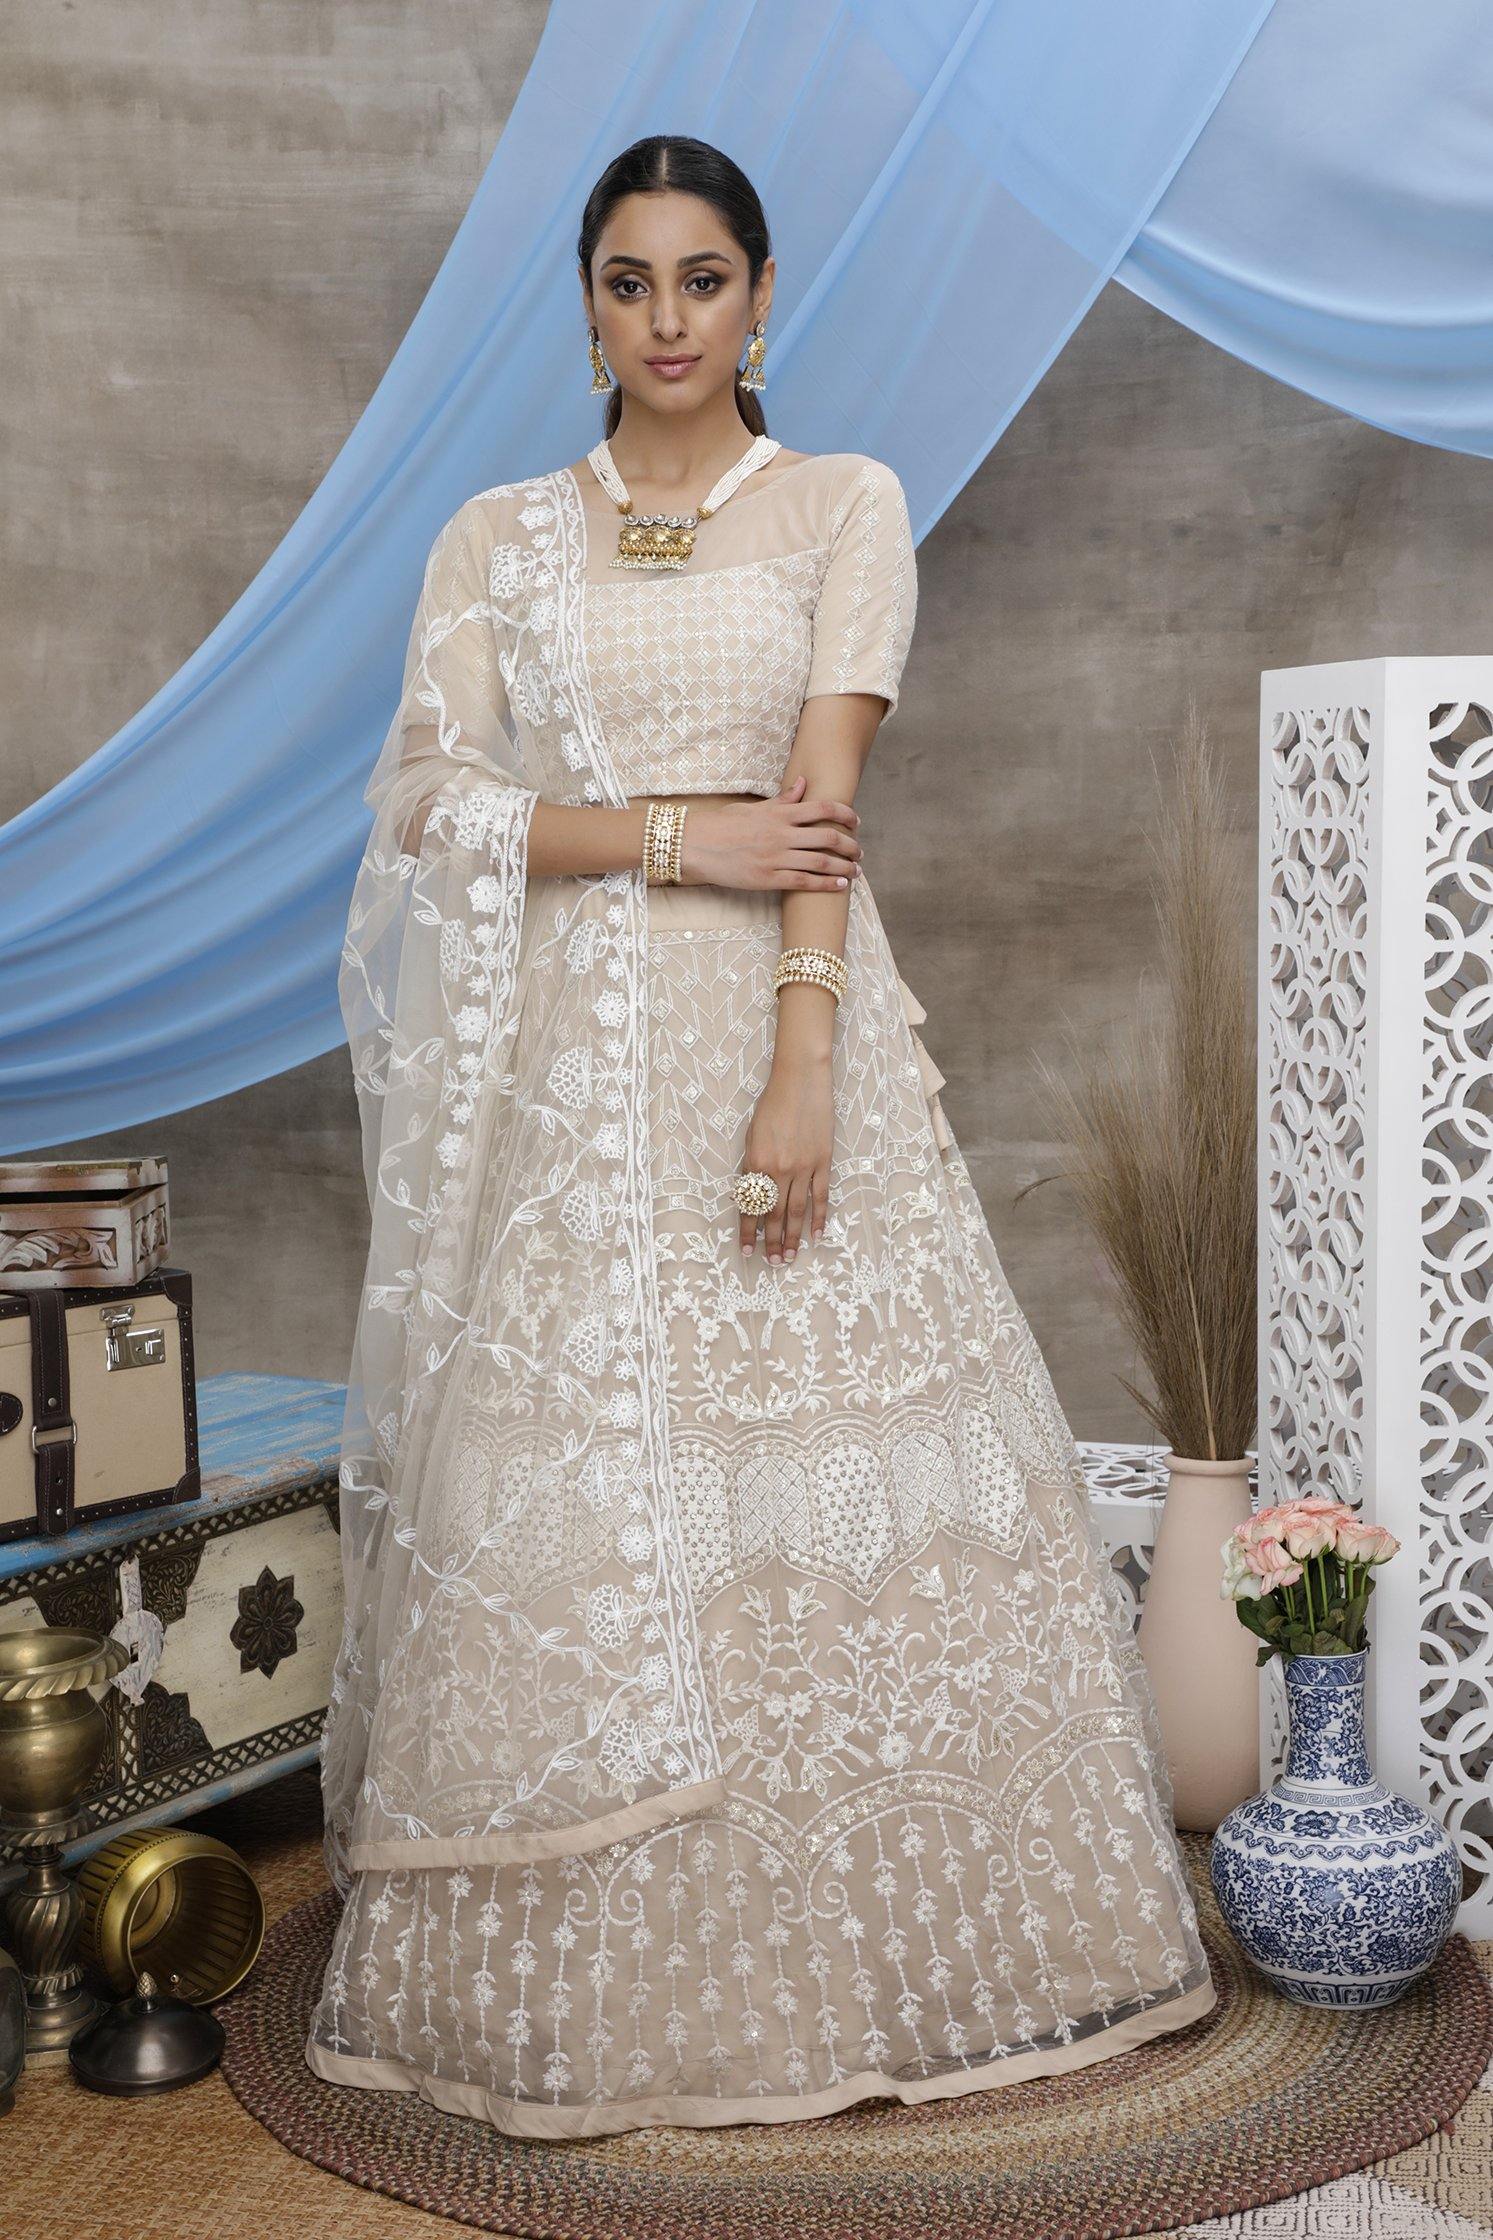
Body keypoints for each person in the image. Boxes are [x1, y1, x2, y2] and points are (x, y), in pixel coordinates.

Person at [304, 131, 1215, 2139]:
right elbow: (425, 801)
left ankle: (881, 1956)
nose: (668, 321)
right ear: (586, 305)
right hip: (571, 1086)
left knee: (822, 1476)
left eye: (703, 280)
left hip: (779, 1032)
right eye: (628, 283)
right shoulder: (498, 538)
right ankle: (611, 1978)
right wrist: (660, 837)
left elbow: (817, 817)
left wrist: (803, 1068)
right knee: (576, 1481)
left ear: (763, 295)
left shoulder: (838, 506)